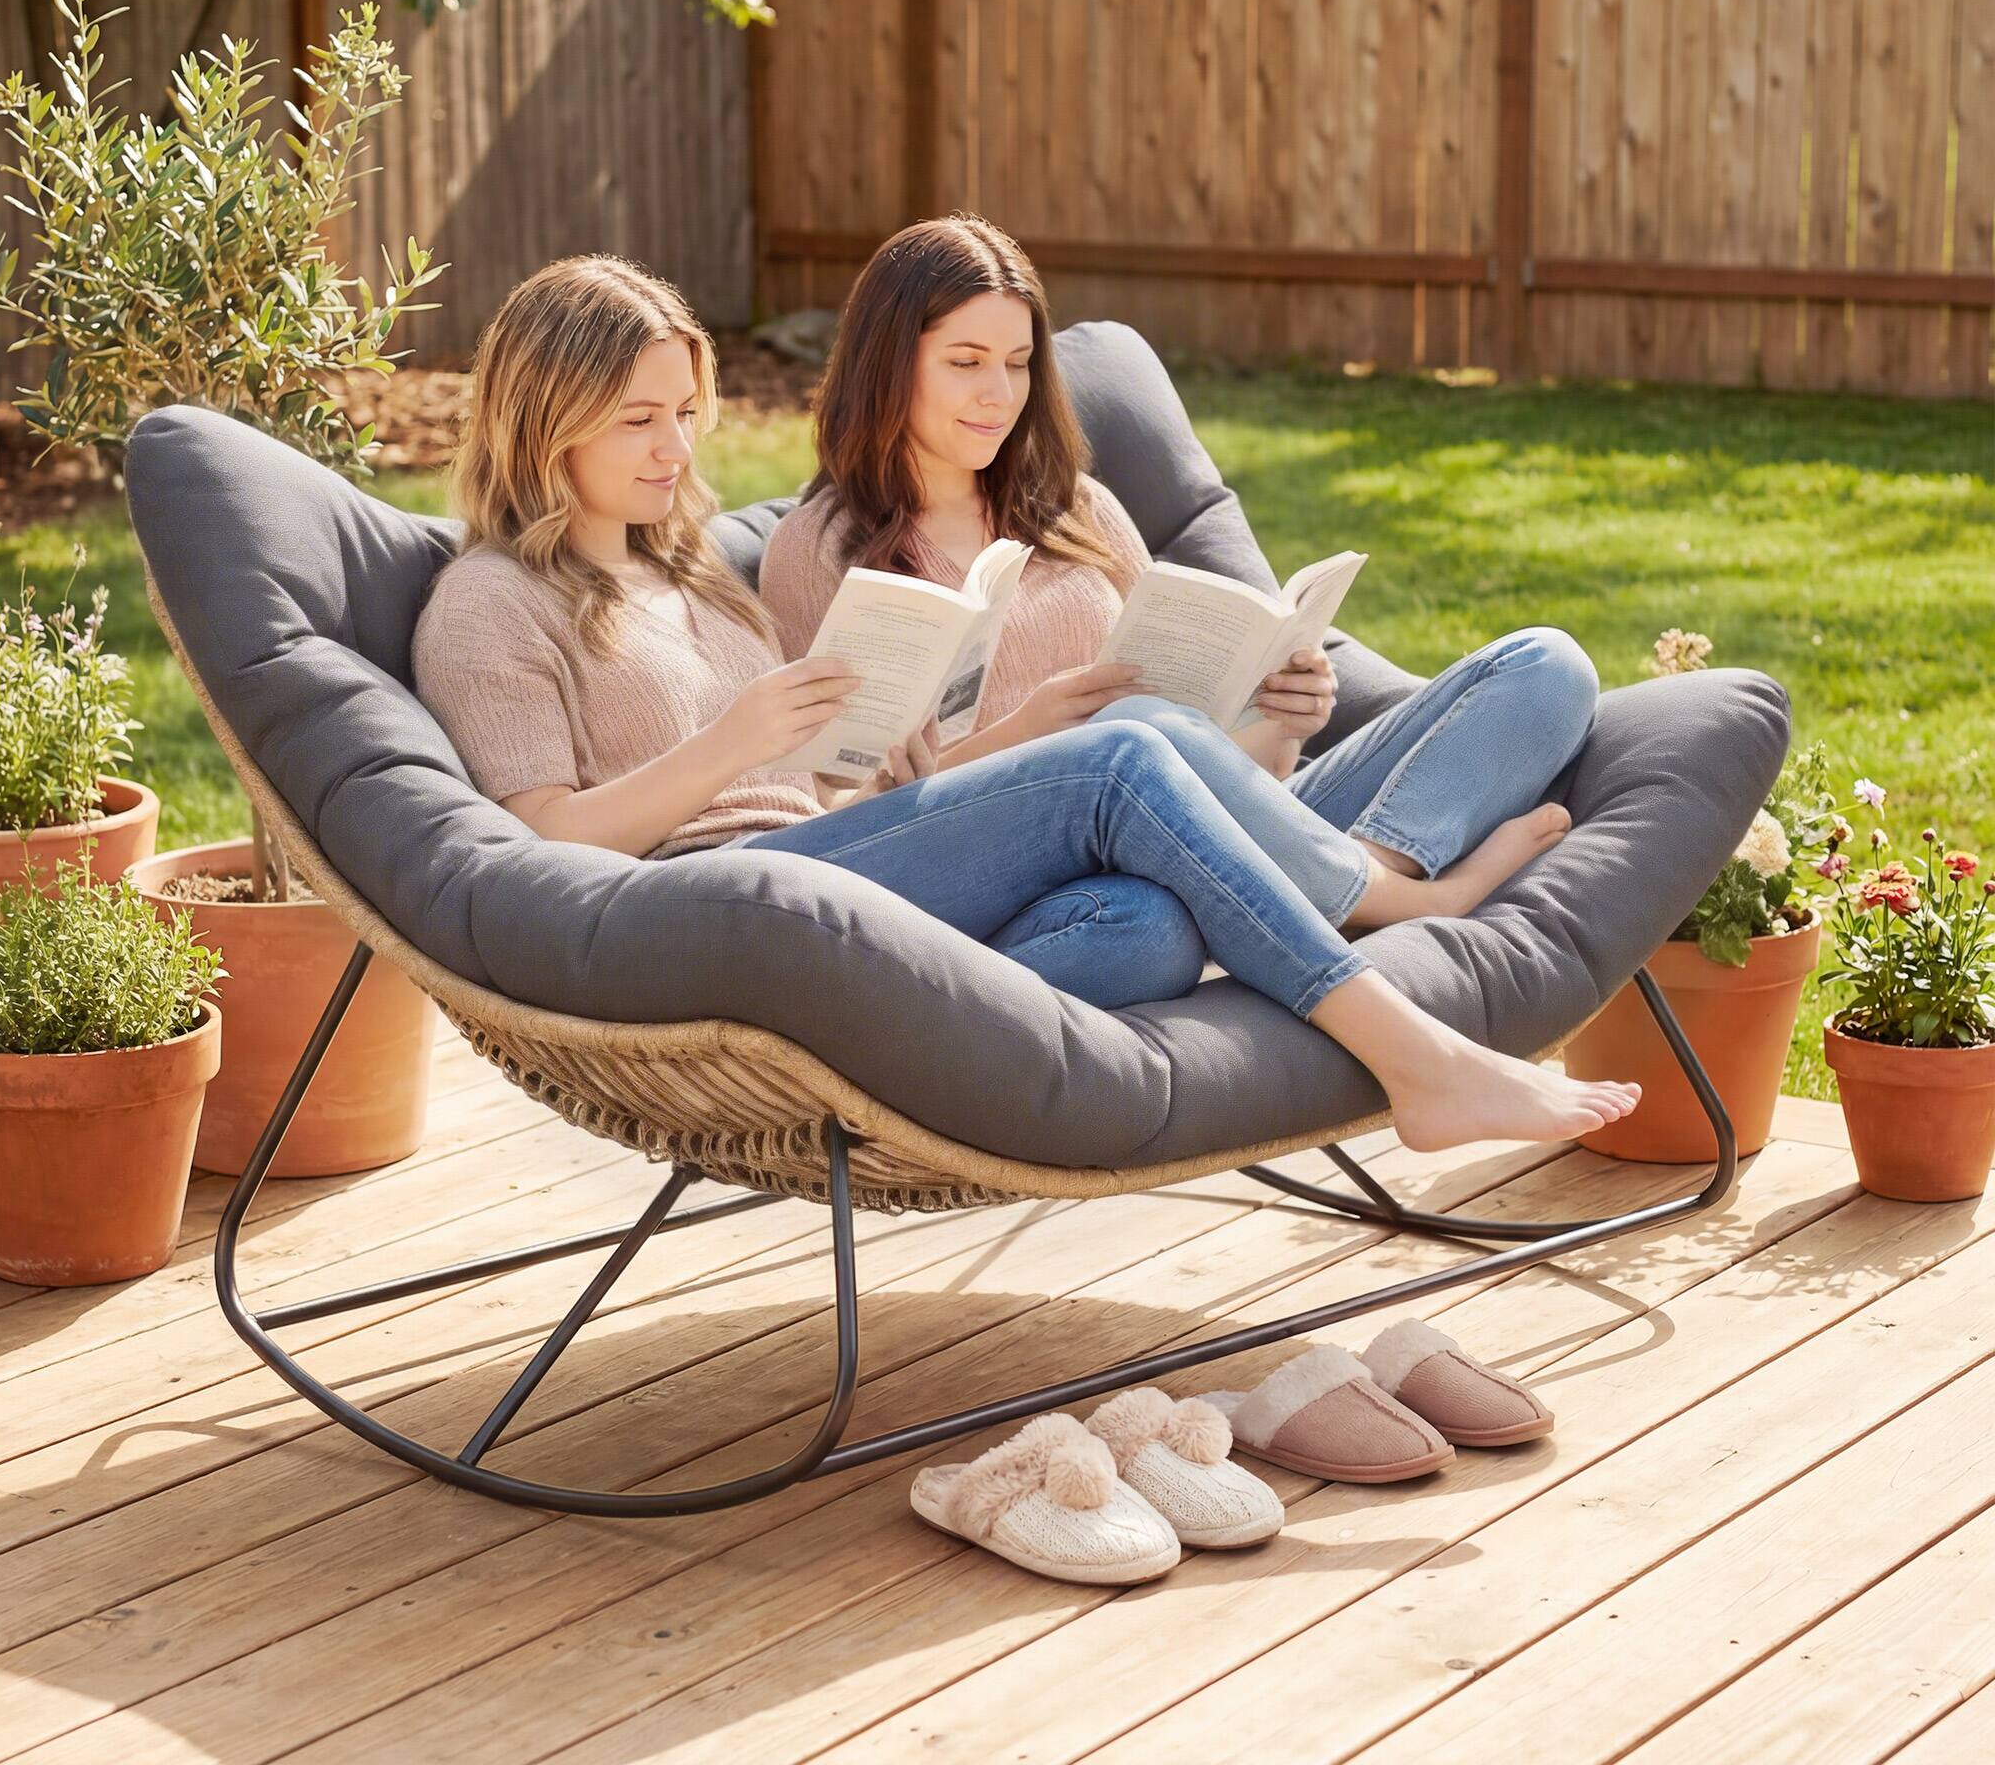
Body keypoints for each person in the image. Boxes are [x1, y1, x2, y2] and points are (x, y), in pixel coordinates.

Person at [411, 253, 1640, 1152]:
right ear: (544, 414)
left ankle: (960, 1015)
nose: (677, 450)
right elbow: (537, 847)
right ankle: (1416, 1043)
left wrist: (872, 755)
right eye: (638, 419)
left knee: (1143, 929)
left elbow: (825, 791)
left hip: (829, 870)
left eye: (686, 413)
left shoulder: (689, 576)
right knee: (1121, 749)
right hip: (718, 905)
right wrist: (732, 744)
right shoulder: (489, 600)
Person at [760, 213, 1599, 1003]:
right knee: (1142, 907)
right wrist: (1031, 733)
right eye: (965, 361)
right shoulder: (817, 549)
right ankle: (1388, 900)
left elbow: (1225, 760)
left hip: (1227, 831)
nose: (999, 394)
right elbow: (837, 824)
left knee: (1545, 666)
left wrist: (1281, 717)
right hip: (1050, 876)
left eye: (1017, 364)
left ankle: (1345, 885)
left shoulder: (1076, 508)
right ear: (889, 363)